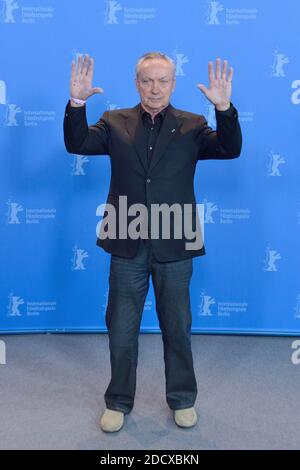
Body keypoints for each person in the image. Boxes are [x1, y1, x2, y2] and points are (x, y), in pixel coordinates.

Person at [63, 52, 242, 433]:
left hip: (175, 242)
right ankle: (118, 401)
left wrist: (224, 109)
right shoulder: (114, 122)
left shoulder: (193, 125)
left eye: (163, 80)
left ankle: (182, 399)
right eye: (147, 80)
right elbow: (77, 142)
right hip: (126, 240)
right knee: (121, 327)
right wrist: (77, 102)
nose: (155, 88)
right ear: (136, 83)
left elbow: (231, 149)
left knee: (177, 327)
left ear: (173, 84)